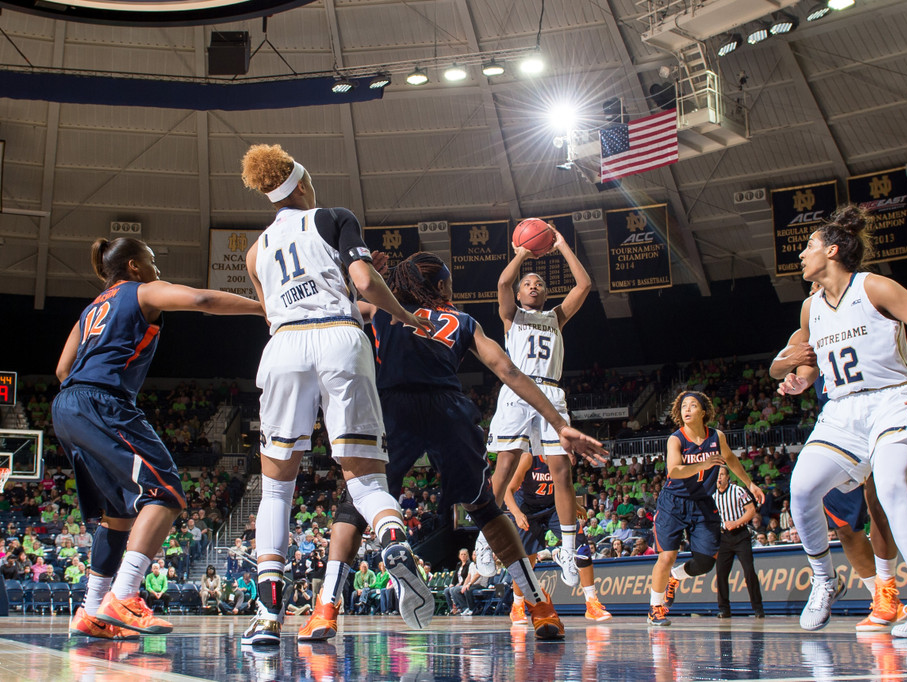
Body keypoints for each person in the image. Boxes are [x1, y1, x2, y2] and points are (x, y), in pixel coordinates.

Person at [298, 252, 605, 641]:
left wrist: (359, 275)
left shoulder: (382, 309)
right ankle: (539, 606)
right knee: (485, 508)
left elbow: (333, 305)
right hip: (449, 411)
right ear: (441, 287)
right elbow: (509, 370)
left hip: (393, 408)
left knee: (356, 502)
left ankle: (326, 608)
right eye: (449, 283)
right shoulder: (464, 321)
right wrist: (560, 424)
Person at [240, 144, 435, 645]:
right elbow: (365, 282)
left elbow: (271, 314)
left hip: (284, 347)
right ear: (302, 184)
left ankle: (266, 615)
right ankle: (393, 541)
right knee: (365, 481)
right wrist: (405, 315)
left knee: (277, 489)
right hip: (339, 339)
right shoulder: (334, 217)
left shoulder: (255, 251)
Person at [53, 236, 263, 640]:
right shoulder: (142, 291)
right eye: (151, 261)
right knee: (166, 492)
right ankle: (126, 594)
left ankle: (92, 609)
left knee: (117, 515)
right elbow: (201, 300)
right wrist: (260, 308)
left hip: (67, 405)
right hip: (103, 402)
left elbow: (63, 367)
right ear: (134, 266)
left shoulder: (91, 308)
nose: (157, 270)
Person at [777, 204, 907, 637]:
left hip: (893, 400)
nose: (801, 255)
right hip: (841, 411)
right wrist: (799, 381)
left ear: (833, 251)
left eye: (809, 247)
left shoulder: (874, 286)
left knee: (891, 486)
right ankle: (824, 580)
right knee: (800, 490)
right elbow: (806, 365)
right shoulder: (810, 309)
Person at [771, 319, 907, 633]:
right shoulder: (809, 322)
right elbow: (780, 369)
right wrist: (797, 375)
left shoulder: (864, 307)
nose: (815, 288)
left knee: (880, 507)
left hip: (878, 413)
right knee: (846, 527)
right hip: (837, 426)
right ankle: (876, 596)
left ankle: (890, 594)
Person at [486, 226, 594, 588]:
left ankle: (566, 547)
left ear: (547, 294)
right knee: (504, 468)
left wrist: (561, 245)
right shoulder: (512, 316)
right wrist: (522, 254)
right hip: (517, 390)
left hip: (550, 393)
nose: (534, 286)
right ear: (520, 292)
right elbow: (501, 285)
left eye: (539, 284)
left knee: (561, 471)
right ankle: (484, 539)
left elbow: (584, 286)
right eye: (528, 283)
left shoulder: (555, 318)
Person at [648, 391, 764, 626]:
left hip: (702, 502)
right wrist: (705, 463)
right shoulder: (676, 439)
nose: (687, 409)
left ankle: (675, 577)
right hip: (673, 502)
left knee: (706, 563)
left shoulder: (716, 437)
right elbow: (674, 470)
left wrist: (750, 483)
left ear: (703, 412)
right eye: (683, 407)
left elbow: (731, 459)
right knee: (667, 555)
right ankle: (655, 609)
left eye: (692, 405)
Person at [504, 452, 612, 625]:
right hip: (527, 510)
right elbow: (508, 490)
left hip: (554, 507)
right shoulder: (529, 458)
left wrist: (574, 504)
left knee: (581, 545)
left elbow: (565, 485)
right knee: (526, 559)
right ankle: (517, 606)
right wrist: (516, 513)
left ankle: (592, 603)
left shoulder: (561, 457)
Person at [712, 468, 764, 619]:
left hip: (740, 535)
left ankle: (758, 608)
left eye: (721, 474)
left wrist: (736, 522)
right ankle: (724, 609)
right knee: (721, 574)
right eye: (717, 475)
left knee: (749, 572)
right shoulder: (713, 495)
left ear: (728, 477)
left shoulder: (737, 490)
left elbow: (751, 510)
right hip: (723, 538)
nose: (719, 477)